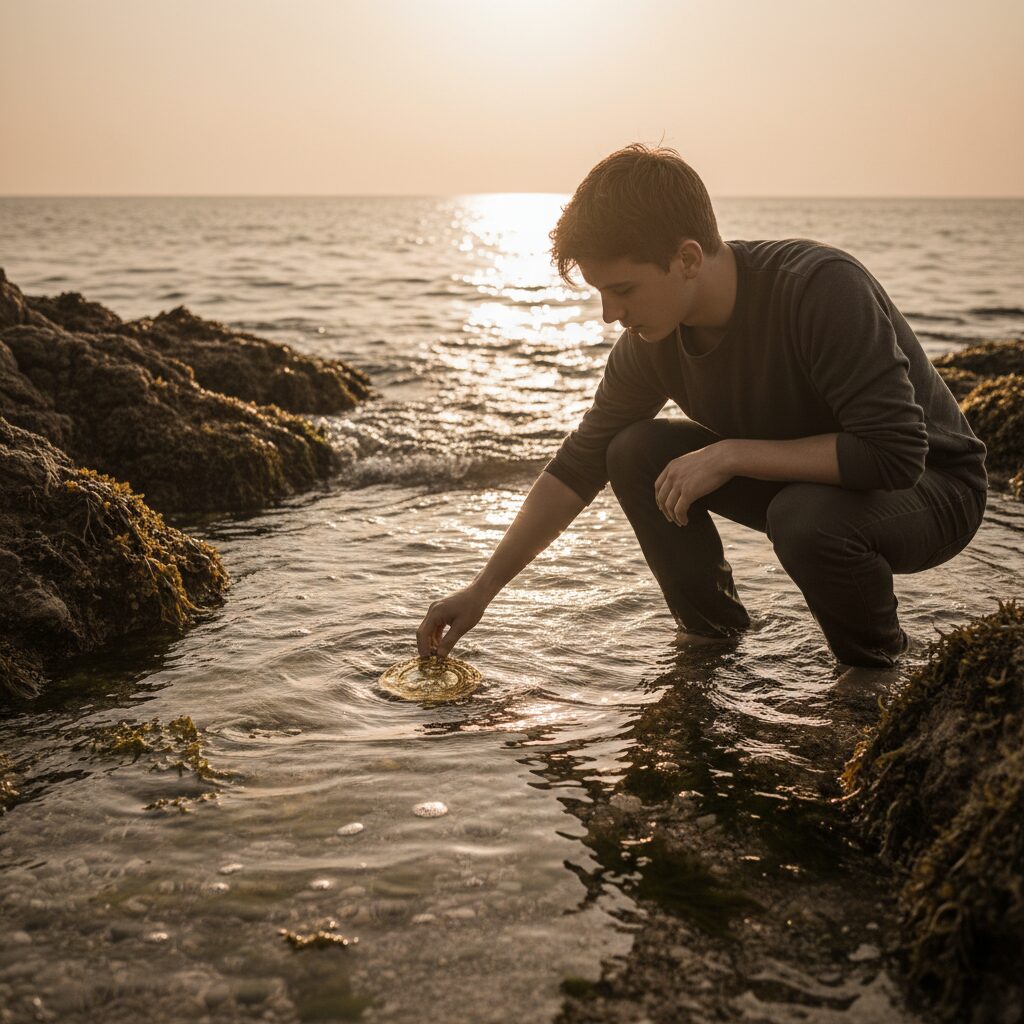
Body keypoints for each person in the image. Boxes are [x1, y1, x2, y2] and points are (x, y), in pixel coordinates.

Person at [416, 144, 987, 669]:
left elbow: (894, 455)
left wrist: (731, 454)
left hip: (932, 491)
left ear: (687, 258)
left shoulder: (819, 288)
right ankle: (712, 641)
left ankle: (875, 673)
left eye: (624, 289)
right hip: (811, 489)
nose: (610, 314)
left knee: (804, 518)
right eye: (601, 293)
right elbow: (577, 464)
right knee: (631, 450)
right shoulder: (649, 345)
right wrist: (482, 588)